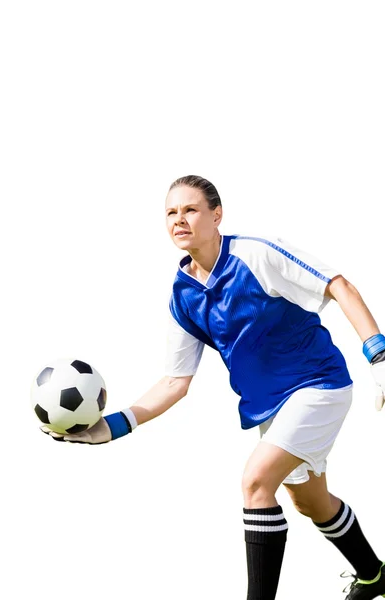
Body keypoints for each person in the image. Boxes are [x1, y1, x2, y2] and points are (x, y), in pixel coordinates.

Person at [41, 175, 385, 600]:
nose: (178, 219)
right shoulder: (183, 296)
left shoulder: (254, 254)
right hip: (268, 407)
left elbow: (338, 285)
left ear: (216, 215)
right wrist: (112, 425)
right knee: (312, 503)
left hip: (317, 385)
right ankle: (375, 576)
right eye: (170, 212)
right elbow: (174, 381)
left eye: (190, 209)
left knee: (256, 483)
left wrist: (379, 354)